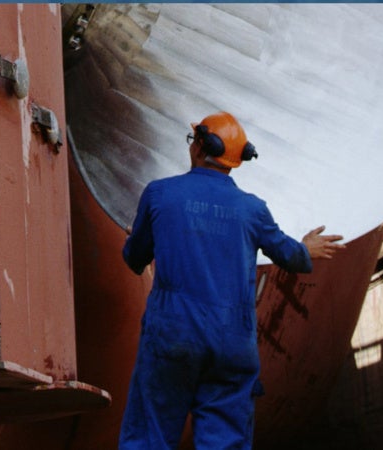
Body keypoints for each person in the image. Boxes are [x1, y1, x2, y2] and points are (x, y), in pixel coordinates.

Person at [118, 111, 346, 449]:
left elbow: (135, 258)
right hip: (232, 343)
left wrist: (138, 238)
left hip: (172, 337)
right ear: (237, 160)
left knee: (150, 436)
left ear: (198, 146)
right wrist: (305, 248)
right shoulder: (252, 209)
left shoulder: (160, 194)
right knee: (225, 440)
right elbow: (287, 255)